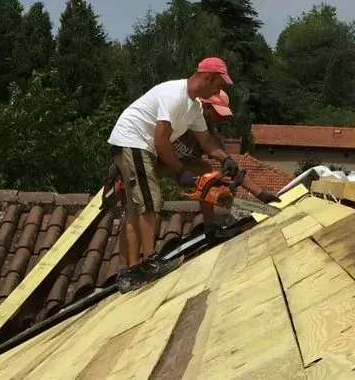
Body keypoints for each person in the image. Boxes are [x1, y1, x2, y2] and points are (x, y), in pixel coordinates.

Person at [106, 57, 238, 292]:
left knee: (136, 209)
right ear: (207, 78)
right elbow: (160, 140)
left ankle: (129, 272)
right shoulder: (174, 95)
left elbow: (206, 140)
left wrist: (226, 159)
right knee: (150, 201)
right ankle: (150, 262)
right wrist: (179, 173)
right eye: (219, 84)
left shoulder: (194, 106)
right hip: (133, 142)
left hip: (140, 146)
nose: (220, 89)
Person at [171, 89, 281, 244]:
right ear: (205, 107)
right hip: (159, 159)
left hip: (180, 165)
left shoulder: (212, 137)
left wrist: (260, 194)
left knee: (208, 176)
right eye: (218, 113)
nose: (221, 119)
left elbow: (232, 168)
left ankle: (209, 229)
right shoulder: (182, 118)